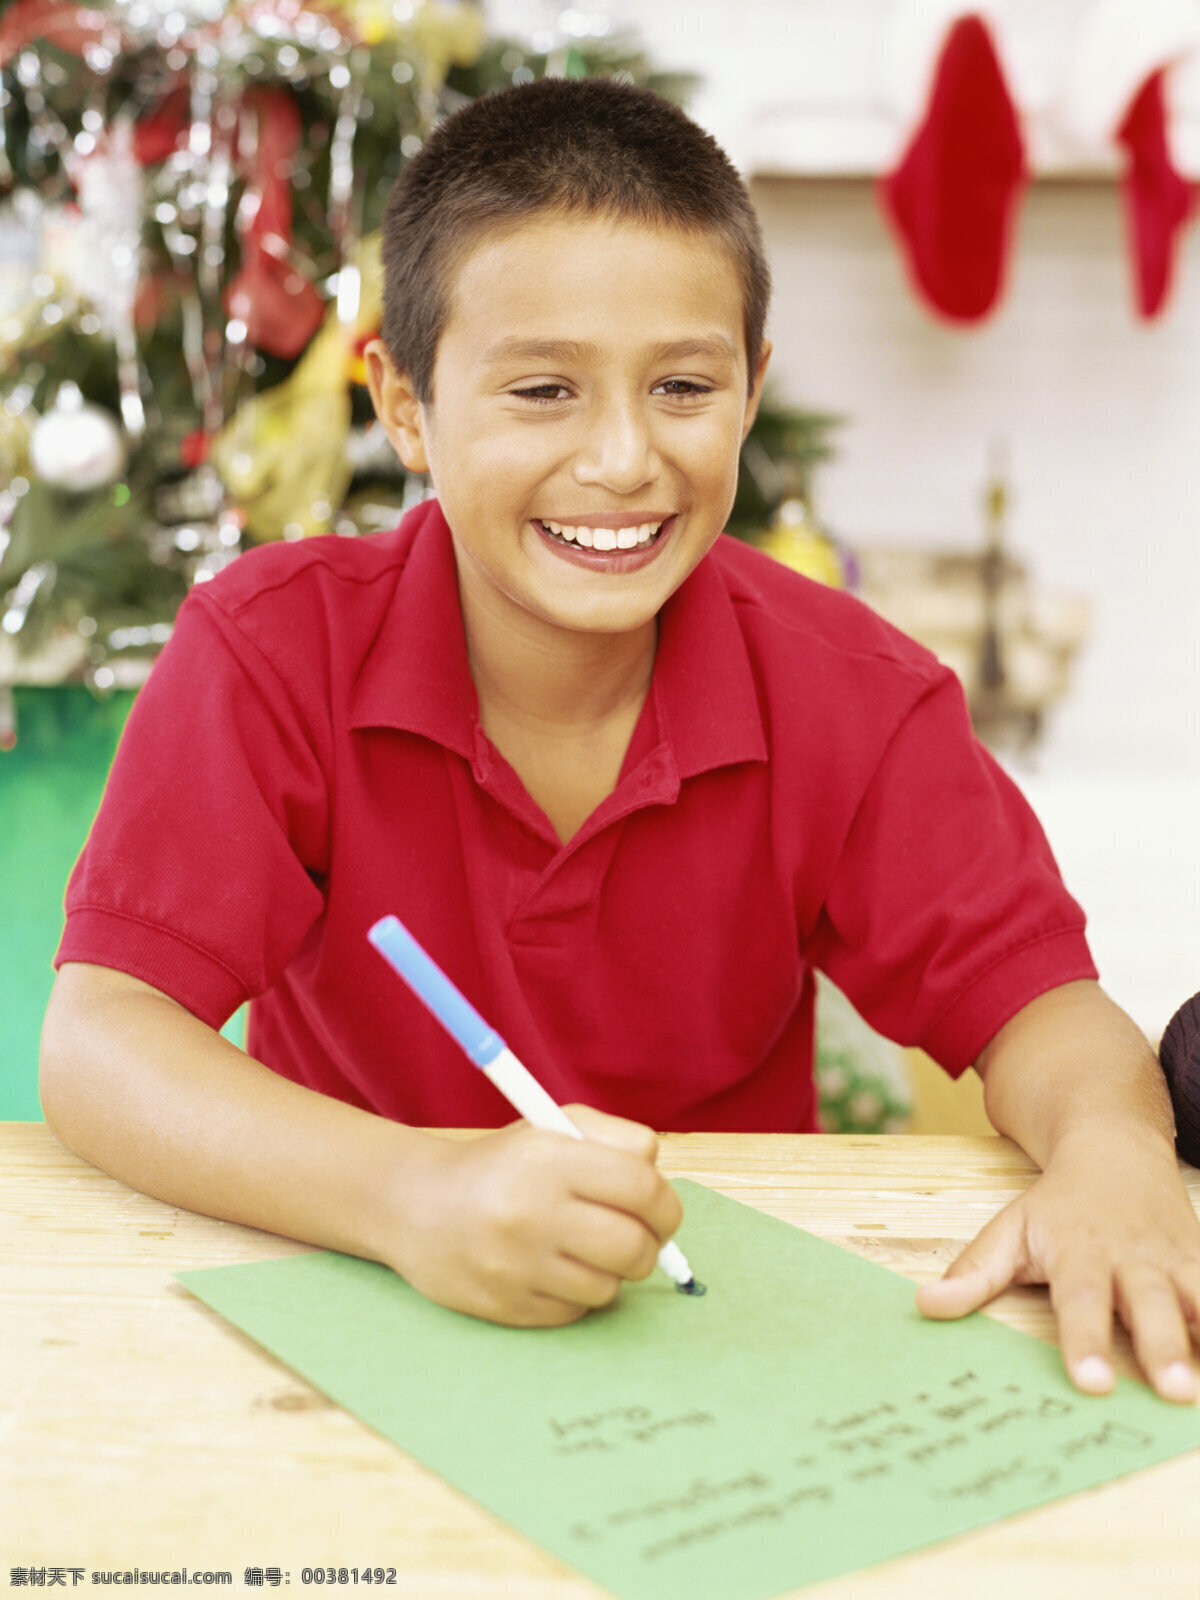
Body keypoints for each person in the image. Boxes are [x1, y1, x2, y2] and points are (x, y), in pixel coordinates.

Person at [41, 77, 1199, 1402]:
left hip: (713, 1342)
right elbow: (101, 1037)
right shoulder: (268, 649)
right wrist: (413, 1194)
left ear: (753, 390)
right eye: (542, 390)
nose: (623, 459)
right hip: (347, 1299)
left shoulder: (856, 696)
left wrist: (1113, 1153)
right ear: (406, 404)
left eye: (683, 386)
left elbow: (1045, 1012)